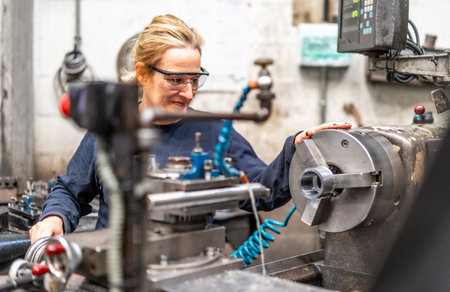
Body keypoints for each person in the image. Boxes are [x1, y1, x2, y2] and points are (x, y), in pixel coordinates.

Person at [29, 14, 351, 244]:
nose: (188, 92)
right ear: (143, 73)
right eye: (175, 80)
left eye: (195, 79)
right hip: (116, 265)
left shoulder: (213, 131)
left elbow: (260, 189)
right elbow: (71, 190)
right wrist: (54, 218)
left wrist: (296, 147)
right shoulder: (110, 131)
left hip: (192, 266)